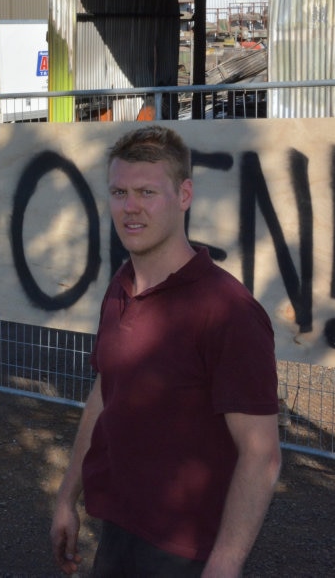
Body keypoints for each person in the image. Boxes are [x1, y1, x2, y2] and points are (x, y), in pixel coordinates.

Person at [50, 125, 282, 577]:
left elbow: (262, 454)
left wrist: (225, 565)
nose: (130, 207)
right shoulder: (121, 285)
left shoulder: (228, 312)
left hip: (188, 553)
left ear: (184, 194)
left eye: (146, 191)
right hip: (117, 532)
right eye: (119, 191)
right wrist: (66, 497)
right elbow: (105, 393)